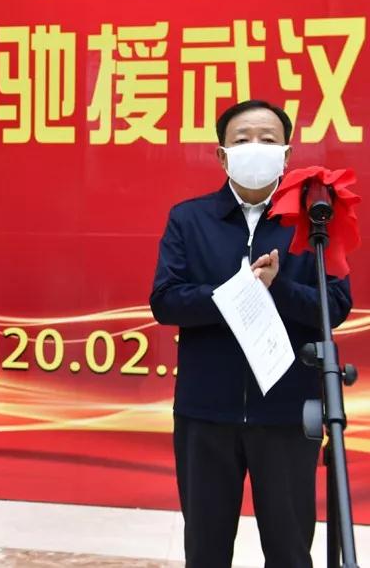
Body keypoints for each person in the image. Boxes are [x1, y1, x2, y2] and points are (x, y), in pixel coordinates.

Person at [150, 99, 353, 568]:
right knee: (205, 550)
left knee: (289, 550)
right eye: (242, 140)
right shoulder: (189, 219)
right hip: (206, 412)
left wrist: (277, 287)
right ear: (222, 155)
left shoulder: (314, 221)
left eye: (267, 139)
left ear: (286, 153)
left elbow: (335, 306)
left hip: (288, 412)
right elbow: (166, 300)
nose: (255, 147)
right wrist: (238, 292)